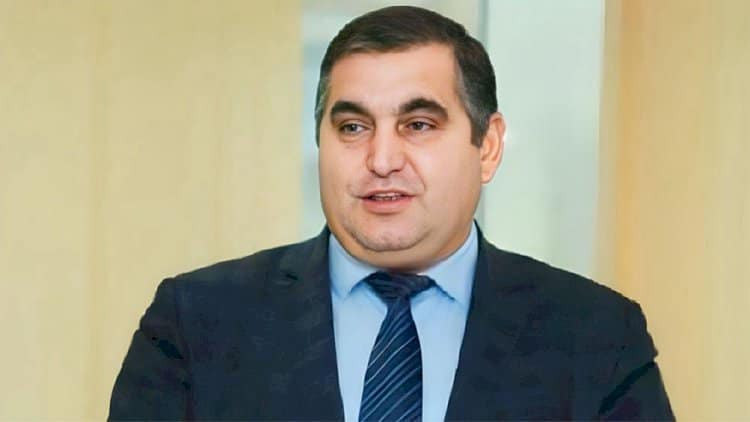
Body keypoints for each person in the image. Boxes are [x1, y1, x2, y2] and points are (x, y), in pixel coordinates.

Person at [109, 5, 674, 421]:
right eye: (353, 127)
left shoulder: (597, 336)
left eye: (418, 125)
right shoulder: (196, 323)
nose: (381, 160)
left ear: (488, 146)